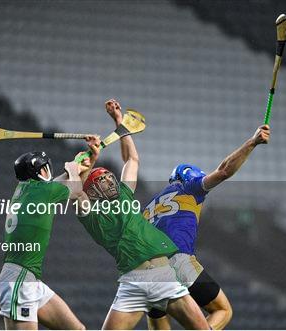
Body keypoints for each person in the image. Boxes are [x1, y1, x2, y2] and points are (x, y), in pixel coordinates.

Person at [72, 99, 209, 330]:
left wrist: (120, 123)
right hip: (132, 282)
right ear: (92, 192)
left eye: (108, 176)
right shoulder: (91, 215)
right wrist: (90, 161)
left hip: (164, 274)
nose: (109, 180)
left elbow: (131, 160)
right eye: (101, 180)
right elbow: (75, 194)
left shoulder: (124, 194)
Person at [144, 124, 271, 330]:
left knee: (158, 321)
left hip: (145, 270)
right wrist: (252, 142)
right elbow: (223, 171)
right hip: (177, 260)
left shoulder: (149, 207)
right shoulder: (190, 187)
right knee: (222, 310)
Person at [0, 146, 96, 330]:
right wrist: (73, 169)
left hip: (29, 279)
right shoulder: (42, 193)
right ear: (37, 172)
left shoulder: (26, 190)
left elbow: (66, 183)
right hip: (19, 281)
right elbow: (75, 189)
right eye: (44, 168)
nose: (47, 172)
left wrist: (89, 158)